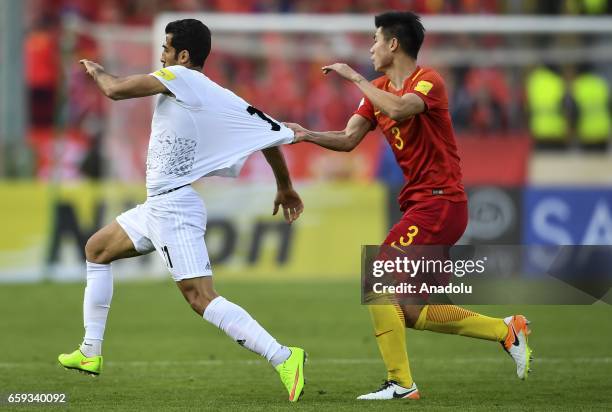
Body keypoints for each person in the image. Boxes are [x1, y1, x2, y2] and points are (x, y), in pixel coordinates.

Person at [286, 11, 532, 400]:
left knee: (378, 278)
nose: (370, 47)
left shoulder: (428, 82)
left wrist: (354, 78)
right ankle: (507, 330)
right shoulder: (379, 89)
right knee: (413, 310)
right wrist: (306, 135)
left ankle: (401, 384)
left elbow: (401, 109)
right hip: (424, 206)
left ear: (393, 44)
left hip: (440, 203)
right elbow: (349, 139)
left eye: (375, 39)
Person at [58, 19, 306, 402]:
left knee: (200, 298)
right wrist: (285, 185)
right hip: (158, 205)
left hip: (174, 207)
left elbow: (115, 90)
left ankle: (285, 356)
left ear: (183, 56)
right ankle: (91, 352)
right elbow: (267, 133)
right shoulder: (211, 91)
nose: (161, 55)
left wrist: (97, 71)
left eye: (166, 47)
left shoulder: (180, 77)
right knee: (96, 249)